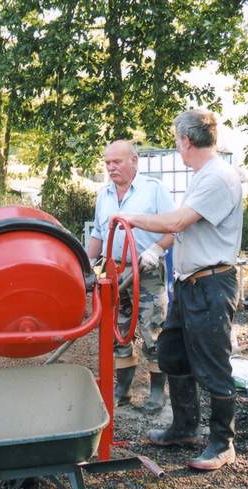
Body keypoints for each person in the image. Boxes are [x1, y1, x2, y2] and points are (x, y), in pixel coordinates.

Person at [117, 109, 243, 471]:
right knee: (172, 351)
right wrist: (157, 250)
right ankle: (185, 428)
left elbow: (177, 222)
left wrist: (131, 219)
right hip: (188, 285)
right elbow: (182, 230)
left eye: (177, 141)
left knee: (214, 363)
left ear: (186, 141)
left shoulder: (218, 177)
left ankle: (222, 443)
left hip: (212, 284)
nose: (178, 147)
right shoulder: (202, 176)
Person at [87, 140, 175, 413]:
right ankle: (122, 391)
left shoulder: (153, 189)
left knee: (153, 329)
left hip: (145, 269)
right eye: (108, 163)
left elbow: (174, 228)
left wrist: (156, 249)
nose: (111, 167)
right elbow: (99, 235)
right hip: (113, 271)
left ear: (134, 161)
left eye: (117, 162)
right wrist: (90, 265)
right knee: (118, 331)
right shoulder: (104, 195)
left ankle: (158, 392)